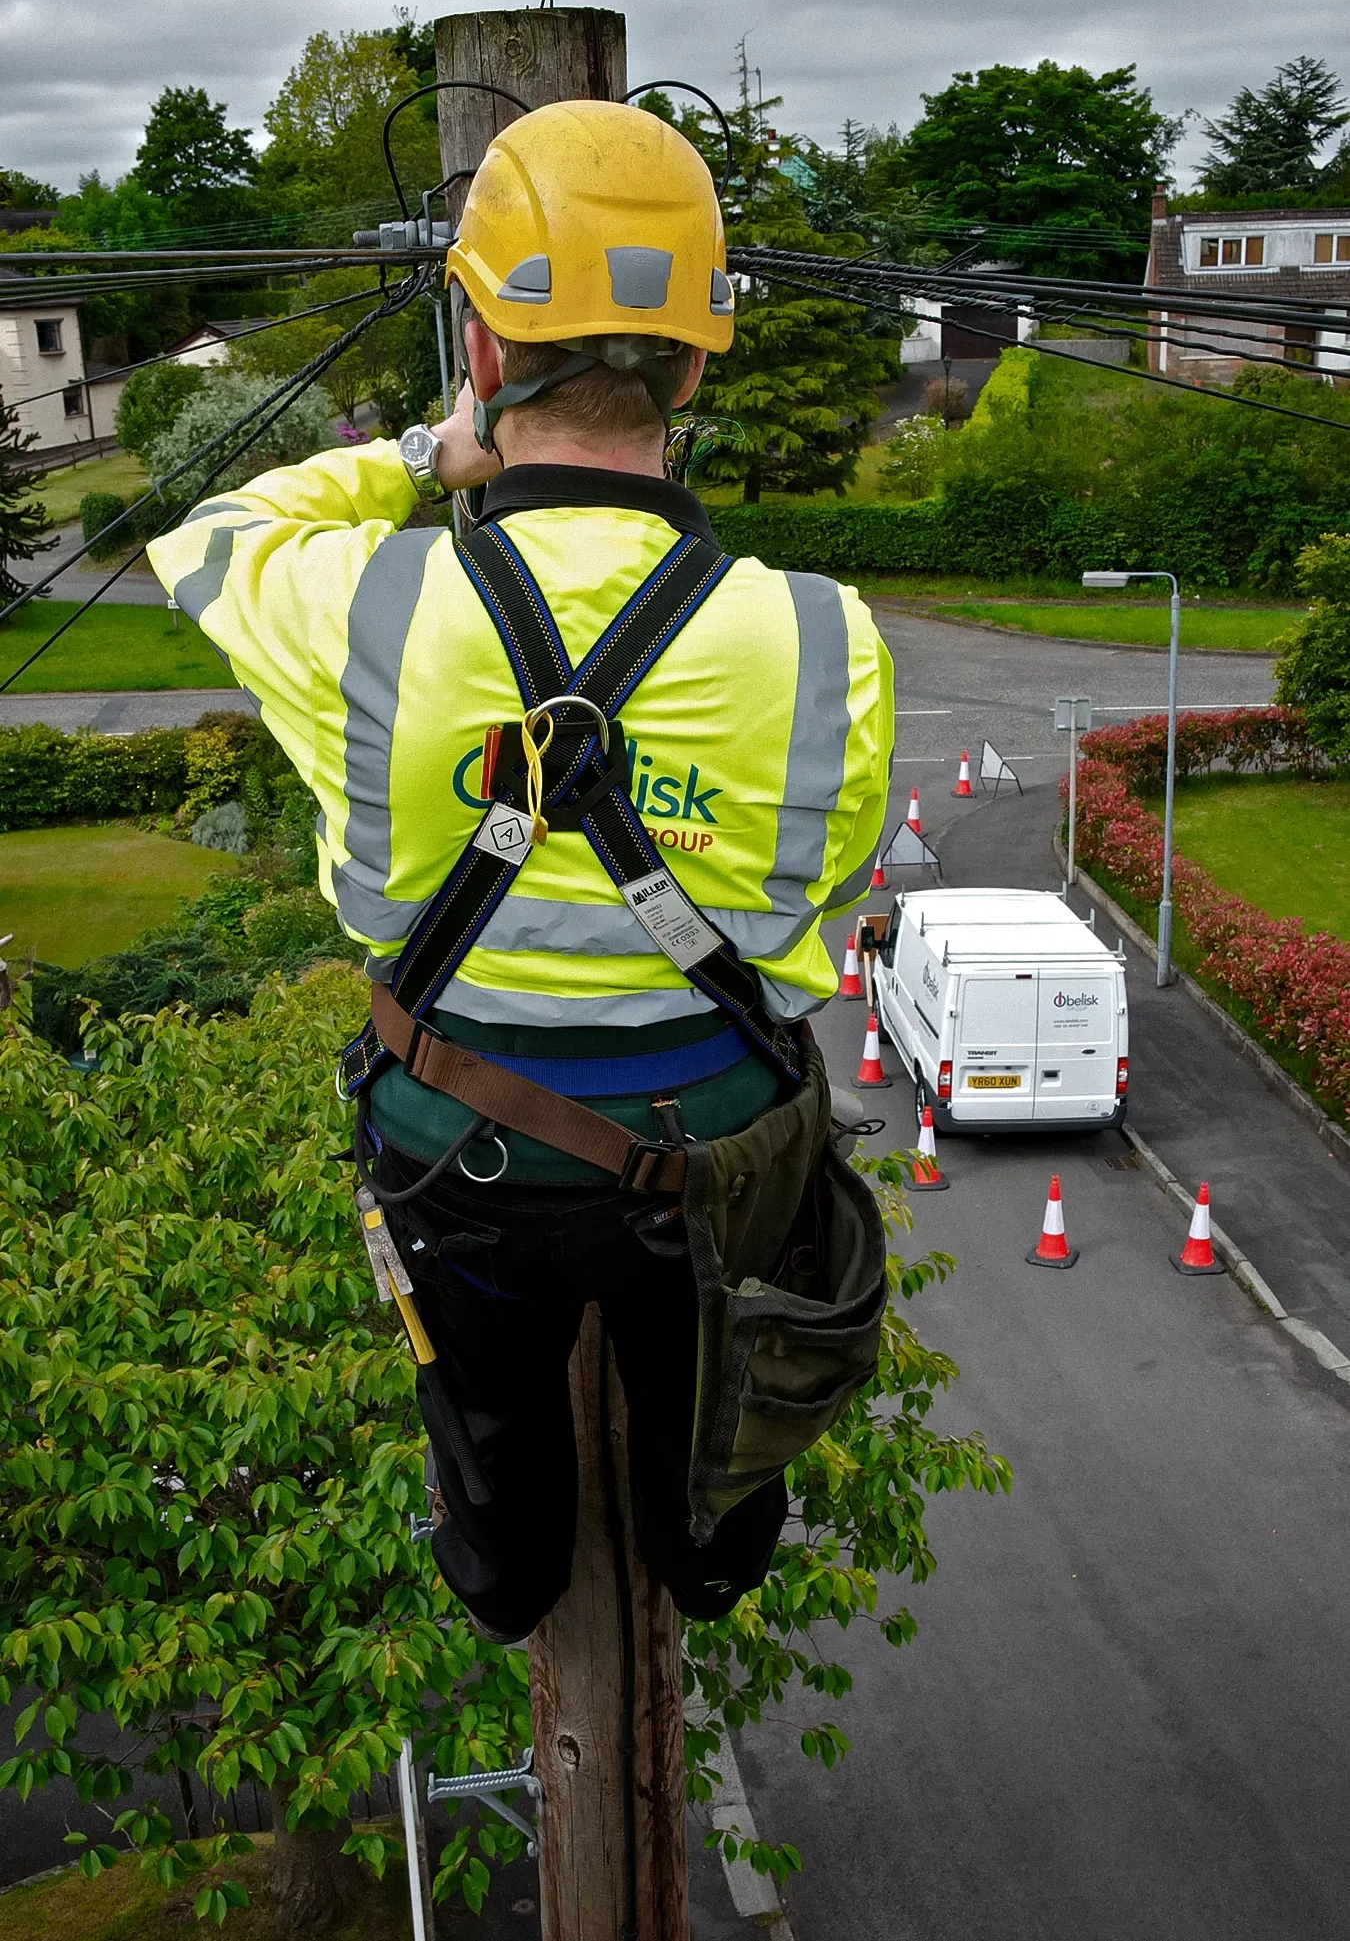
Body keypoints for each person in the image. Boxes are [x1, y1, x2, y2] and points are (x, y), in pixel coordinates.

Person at [148, 100, 894, 1643]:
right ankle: (711, 1547)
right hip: (717, 1149)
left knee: (484, 1410)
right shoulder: (824, 634)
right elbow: (810, 914)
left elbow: (208, 532)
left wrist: (428, 455)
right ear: (694, 365)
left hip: (459, 1145)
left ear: (479, 350)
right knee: (721, 1383)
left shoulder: (365, 604)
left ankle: (505, 1573)